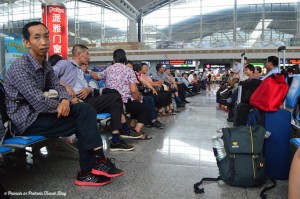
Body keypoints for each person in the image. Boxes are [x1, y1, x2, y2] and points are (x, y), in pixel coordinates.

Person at [4, 21, 123, 186]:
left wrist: (65, 99)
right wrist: (61, 104)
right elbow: (38, 101)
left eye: (46, 36)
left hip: (42, 113)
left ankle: (91, 168)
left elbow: (58, 86)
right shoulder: (20, 68)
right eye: (37, 37)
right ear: (26, 43)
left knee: (85, 112)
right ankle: (94, 165)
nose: (44, 42)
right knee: (83, 117)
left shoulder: (45, 65)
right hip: (26, 120)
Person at [53, 44, 139, 151]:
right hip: (76, 102)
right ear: (79, 54)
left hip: (88, 98)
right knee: (115, 96)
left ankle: (116, 140)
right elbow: (48, 76)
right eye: (87, 54)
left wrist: (89, 89)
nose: (89, 57)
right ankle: (124, 130)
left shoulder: (79, 70)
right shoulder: (65, 64)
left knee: (115, 99)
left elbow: (86, 87)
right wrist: (65, 86)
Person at [90, 49, 152, 140]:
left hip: (110, 102)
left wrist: (89, 71)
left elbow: (96, 77)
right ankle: (136, 132)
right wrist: (139, 99)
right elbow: (134, 91)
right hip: (124, 102)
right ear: (125, 58)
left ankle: (130, 129)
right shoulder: (128, 70)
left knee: (137, 107)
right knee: (145, 107)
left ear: (114, 59)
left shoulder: (108, 69)